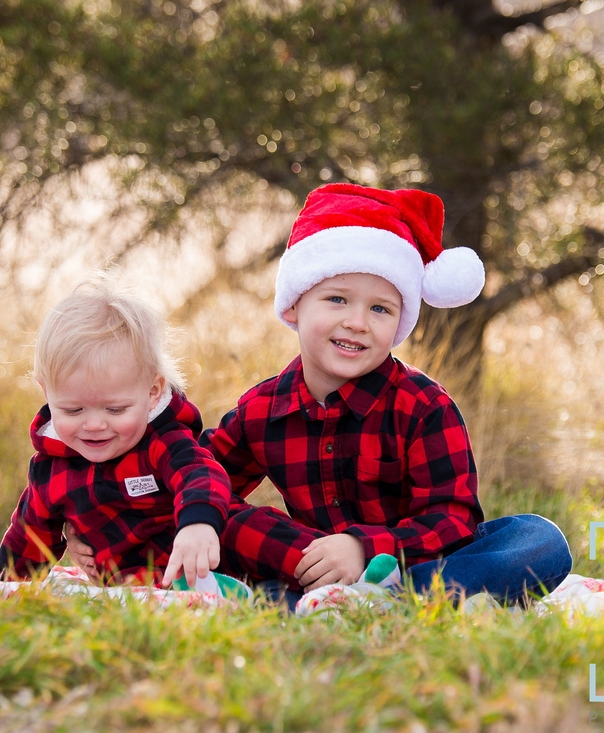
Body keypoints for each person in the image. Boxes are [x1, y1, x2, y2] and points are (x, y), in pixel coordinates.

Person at [201, 183, 573, 609]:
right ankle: (339, 597)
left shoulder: (423, 405)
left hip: (415, 562)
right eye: (337, 299)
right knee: (208, 518)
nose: (357, 322)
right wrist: (292, 547)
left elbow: (452, 521)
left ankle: (388, 599)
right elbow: (199, 481)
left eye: (380, 309)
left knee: (538, 541)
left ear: (399, 323)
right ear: (293, 307)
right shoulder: (263, 410)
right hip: (311, 565)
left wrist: (363, 548)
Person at [0, 278, 246, 595]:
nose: (94, 425)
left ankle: (320, 572)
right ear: (46, 392)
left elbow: (200, 473)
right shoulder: (50, 471)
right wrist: (3, 590)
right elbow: (28, 538)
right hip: (136, 582)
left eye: (115, 409)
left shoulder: (160, 441)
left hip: (209, 548)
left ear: (152, 392)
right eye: (73, 410)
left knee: (253, 533)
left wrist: (199, 522)